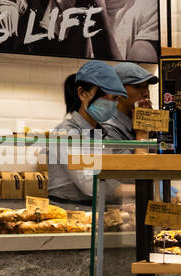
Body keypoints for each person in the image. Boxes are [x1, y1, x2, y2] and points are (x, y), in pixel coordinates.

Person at [47, 59, 125, 205]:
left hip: (96, 211)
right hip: (67, 214)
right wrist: (138, 191)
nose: (112, 104)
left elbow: (106, 176)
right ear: (83, 94)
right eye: (105, 96)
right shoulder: (66, 133)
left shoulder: (103, 134)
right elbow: (90, 184)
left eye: (116, 98)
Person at [101, 62, 158, 140]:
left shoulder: (142, 123)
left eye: (146, 87)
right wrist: (142, 134)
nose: (146, 93)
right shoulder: (107, 128)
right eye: (137, 87)